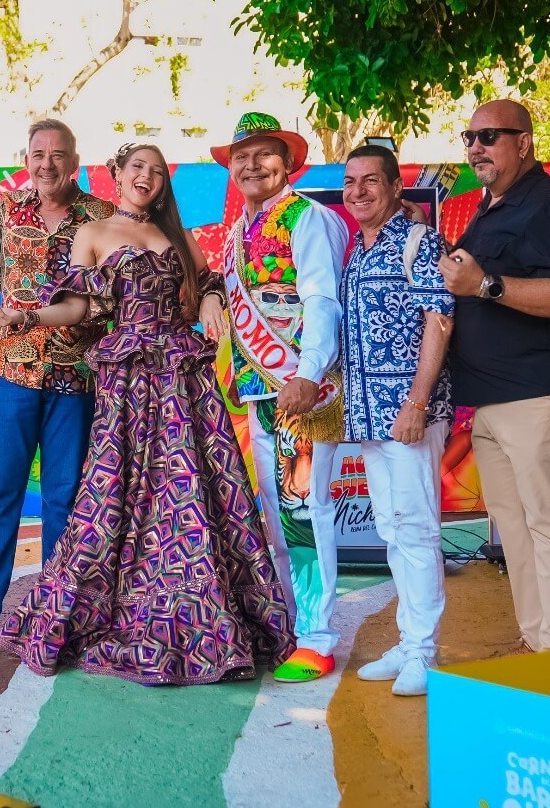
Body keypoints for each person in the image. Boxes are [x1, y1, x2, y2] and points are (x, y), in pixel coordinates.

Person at [0, 143, 295, 686]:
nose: (147, 177)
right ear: (117, 172)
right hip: (127, 381)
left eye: (157, 171)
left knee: (192, 489)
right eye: (138, 167)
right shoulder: (93, 233)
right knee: (116, 492)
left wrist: (209, 297)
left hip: (182, 377)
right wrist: (29, 317)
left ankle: (203, 618)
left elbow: (208, 279)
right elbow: (80, 306)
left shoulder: (175, 233)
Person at [0, 119, 111, 653]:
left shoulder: (101, 217)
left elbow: (115, 290)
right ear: (27, 160)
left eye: (57, 155)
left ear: (74, 161)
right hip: (15, 373)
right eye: (38, 154)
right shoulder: (6, 212)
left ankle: (57, 615)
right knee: (0, 493)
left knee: (64, 498)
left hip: (75, 376)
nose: (47, 164)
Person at [438, 99, 550, 652]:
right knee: (517, 529)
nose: (475, 147)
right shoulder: (494, 206)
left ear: (523, 142)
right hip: (493, 399)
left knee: (549, 524)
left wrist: (486, 286)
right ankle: (539, 640)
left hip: (539, 395)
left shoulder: (546, 208)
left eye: (489, 136)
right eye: (469, 138)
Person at [214, 112, 350, 682]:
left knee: (302, 510)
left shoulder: (307, 218)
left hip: (301, 391)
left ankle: (317, 637)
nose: (251, 165)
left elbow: (322, 300)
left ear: (287, 161)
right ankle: (290, 625)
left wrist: (309, 372)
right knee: (275, 513)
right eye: (240, 157)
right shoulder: (237, 231)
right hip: (260, 391)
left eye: (263, 154)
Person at [339, 145, 453, 697]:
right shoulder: (356, 251)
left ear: (394, 188)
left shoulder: (419, 240)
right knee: (391, 529)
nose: (358, 191)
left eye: (370, 181)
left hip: (409, 415)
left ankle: (424, 652)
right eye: (350, 181)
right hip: (367, 416)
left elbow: (440, 317)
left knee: (417, 530)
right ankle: (409, 643)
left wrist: (417, 403)